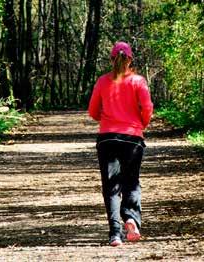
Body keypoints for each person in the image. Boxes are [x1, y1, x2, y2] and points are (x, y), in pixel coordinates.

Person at [88, 41, 153, 246]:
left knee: (111, 187)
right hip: (133, 138)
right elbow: (147, 107)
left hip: (107, 138)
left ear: (111, 59)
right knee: (131, 181)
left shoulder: (102, 81)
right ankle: (132, 219)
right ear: (130, 59)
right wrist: (140, 124)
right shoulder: (138, 81)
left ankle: (115, 233)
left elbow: (92, 111)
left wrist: (107, 118)